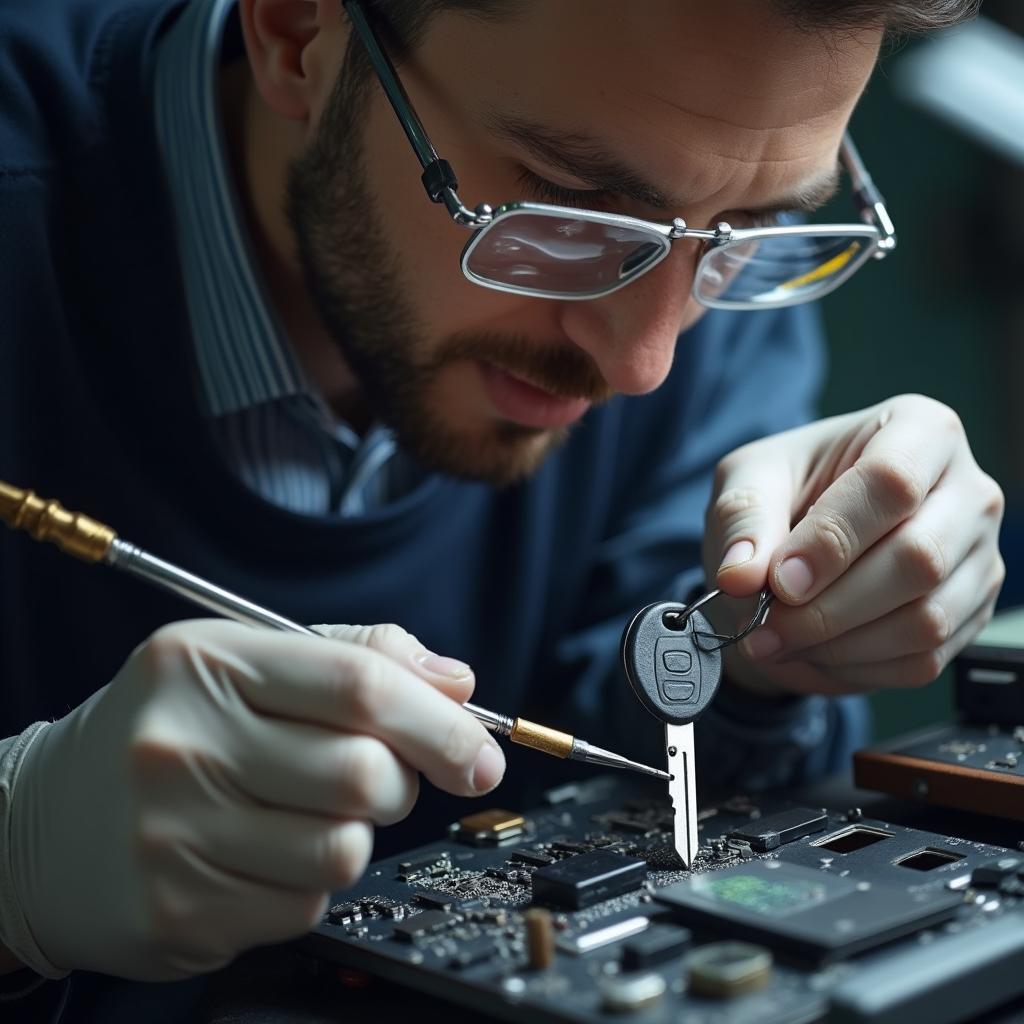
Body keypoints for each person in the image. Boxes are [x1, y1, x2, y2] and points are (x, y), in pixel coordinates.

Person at [0, 0, 1004, 1002]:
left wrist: (766, 658)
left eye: (759, 226)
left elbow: (650, 765)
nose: (642, 359)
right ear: (298, 36)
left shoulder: (707, 277)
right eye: (569, 209)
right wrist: (11, 868)